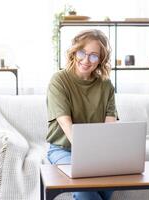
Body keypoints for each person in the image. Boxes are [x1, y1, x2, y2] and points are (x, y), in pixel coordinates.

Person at [46, 29, 117, 200]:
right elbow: (66, 125)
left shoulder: (106, 85)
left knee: (111, 185)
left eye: (93, 56)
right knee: (86, 189)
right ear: (74, 52)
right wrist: (89, 160)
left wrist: (103, 157)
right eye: (82, 52)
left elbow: (110, 126)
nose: (86, 60)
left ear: (100, 60)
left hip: (98, 152)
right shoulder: (59, 80)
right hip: (63, 150)